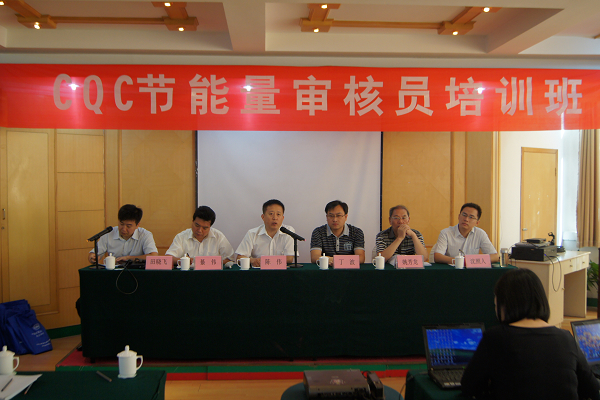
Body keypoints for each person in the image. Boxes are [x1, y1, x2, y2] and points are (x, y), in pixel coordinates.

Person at [461, 268, 600, 400]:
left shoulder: (495, 338)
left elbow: (469, 386)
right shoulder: (566, 338)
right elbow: (592, 389)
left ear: (504, 305)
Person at [87, 204, 158, 264]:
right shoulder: (109, 233)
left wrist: (128, 258)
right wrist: (93, 257)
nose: (123, 229)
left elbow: (153, 256)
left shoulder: (145, 235)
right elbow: (93, 254)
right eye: (121, 224)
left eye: (128, 226)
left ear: (137, 225)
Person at [431, 202, 498, 264]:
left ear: (477, 223)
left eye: (471, 217)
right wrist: (459, 261)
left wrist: (472, 261)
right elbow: (437, 256)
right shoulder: (446, 233)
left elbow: (495, 256)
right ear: (459, 216)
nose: (466, 219)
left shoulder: (480, 234)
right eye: (464, 215)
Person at [165, 206, 234, 266]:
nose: (199, 230)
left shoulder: (218, 237)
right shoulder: (181, 237)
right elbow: (168, 258)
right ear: (192, 221)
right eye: (197, 225)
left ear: (210, 227)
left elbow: (230, 259)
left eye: (205, 228)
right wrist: (182, 261)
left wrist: (209, 262)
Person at [235, 199, 295, 268]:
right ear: (263, 217)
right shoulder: (252, 233)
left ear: (282, 218)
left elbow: (289, 259)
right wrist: (252, 260)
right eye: (271, 214)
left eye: (278, 214)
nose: (275, 218)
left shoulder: (289, 232)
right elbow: (239, 258)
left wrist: (264, 261)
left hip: (281, 272)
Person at [310, 200, 365, 265]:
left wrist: (335, 261)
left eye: (338, 215)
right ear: (327, 217)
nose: (335, 219)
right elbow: (315, 257)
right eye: (331, 216)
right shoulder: (318, 232)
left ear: (345, 217)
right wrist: (342, 261)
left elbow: (360, 258)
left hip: (349, 269)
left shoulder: (356, 232)